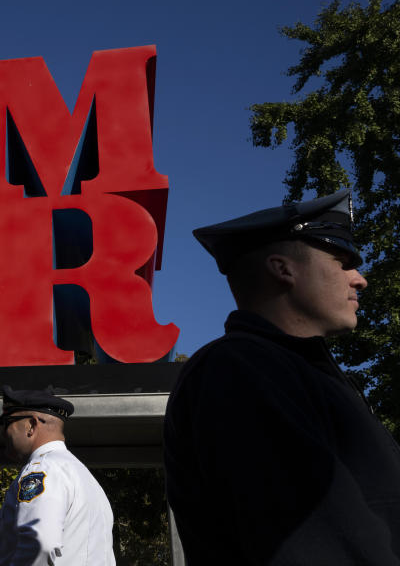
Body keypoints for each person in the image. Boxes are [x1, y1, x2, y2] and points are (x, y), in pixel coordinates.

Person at [164, 190, 400, 564]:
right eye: (341, 262)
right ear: (284, 269)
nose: (360, 280)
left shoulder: (296, 372)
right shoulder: (240, 370)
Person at [0, 385, 116, 566]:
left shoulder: (42, 469)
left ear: (31, 425)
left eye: (7, 423)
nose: (3, 433)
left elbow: (39, 543)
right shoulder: (82, 475)